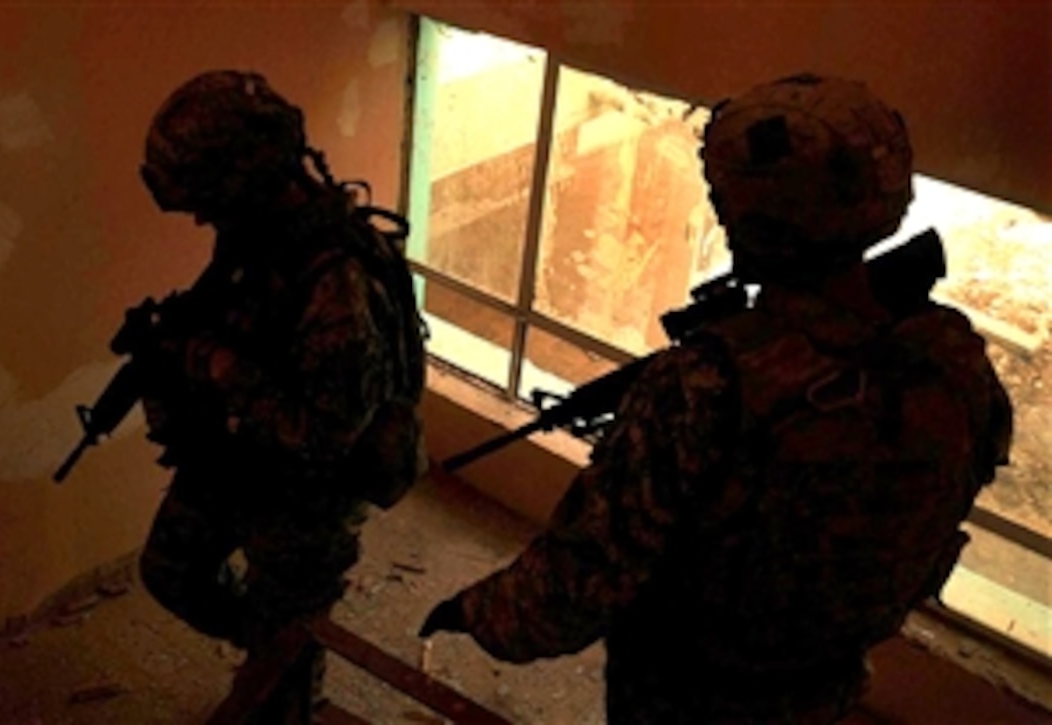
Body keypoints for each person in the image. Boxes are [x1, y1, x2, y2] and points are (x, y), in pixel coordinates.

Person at [419, 73, 1013, 722]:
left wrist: (479, 613)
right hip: (824, 689)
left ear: (753, 218)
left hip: (685, 698)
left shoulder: (705, 386)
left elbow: (576, 584)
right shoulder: (952, 356)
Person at [133, 69, 426, 723]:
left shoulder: (339, 290)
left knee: (274, 680)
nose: (203, 216)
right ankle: (274, 645)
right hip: (241, 454)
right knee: (170, 569)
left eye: (209, 198)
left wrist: (218, 365)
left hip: (310, 494)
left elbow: (324, 438)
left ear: (245, 179)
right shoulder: (260, 229)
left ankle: (285, 667)